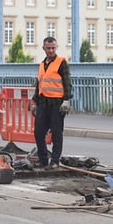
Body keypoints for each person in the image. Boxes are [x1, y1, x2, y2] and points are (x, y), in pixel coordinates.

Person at [32, 36, 72, 168]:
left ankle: (55, 160)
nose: (51, 51)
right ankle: (43, 159)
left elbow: (67, 82)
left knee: (56, 132)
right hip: (43, 102)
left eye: (53, 48)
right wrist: (34, 101)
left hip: (57, 103)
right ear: (43, 48)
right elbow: (40, 85)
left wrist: (66, 100)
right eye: (48, 48)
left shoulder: (61, 62)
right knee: (38, 132)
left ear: (56, 48)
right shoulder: (42, 65)